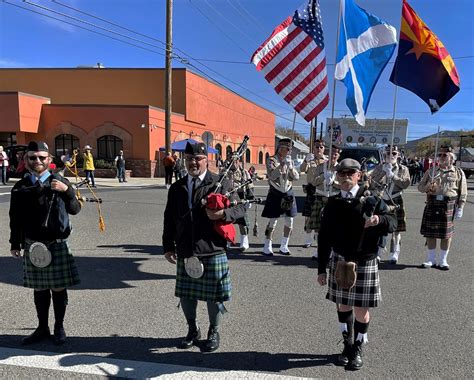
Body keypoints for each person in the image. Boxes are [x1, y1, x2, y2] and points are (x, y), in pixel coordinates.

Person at [162, 142, 245, 352]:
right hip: (186, 248)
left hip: (212, 248)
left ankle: (213, 331)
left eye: (198, 158)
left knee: (215, 296)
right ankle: (192, 329)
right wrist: (167, 246)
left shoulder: (219, 182)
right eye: (189, 158)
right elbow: (169, 218)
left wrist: (223, 215)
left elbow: (241, 208)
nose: (193, 162)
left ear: (206, 159)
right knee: (186, 295)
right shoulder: (177, 187)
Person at [317, 158, 397, 370]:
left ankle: (359, 348)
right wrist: (321, 269)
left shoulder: (371, 200)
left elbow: (394, 222)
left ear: (359, 175)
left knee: (361, 310)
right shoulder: (332, 203)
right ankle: (347, 345)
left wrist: (378, 220)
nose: (345, 178)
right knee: (343, 306)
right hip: (340, 260)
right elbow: (323, 237)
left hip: (365, 261)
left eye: (350, 173)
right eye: (341, 174)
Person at [9, 141, 82, 345]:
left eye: (42, 157)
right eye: (33, 157)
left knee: (58, 288)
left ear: (49, 159)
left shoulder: (59, 180)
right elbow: (15, 217)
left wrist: (67, 190)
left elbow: (75, 209)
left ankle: (59, 326)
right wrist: (15, 243)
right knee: (39, 288)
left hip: (56, 243)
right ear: (26, 160)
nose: (37, 161)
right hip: (33, 244)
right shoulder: (21, 186)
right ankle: (42, 327)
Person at [418, 146, 467, 270]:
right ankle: (430, 259)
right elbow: (420, 187)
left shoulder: (458, 172)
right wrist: (429, 184)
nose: (441, 157)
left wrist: (460, 207)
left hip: (448, 205)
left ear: (452, 158)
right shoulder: (431, 171)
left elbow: (463, 191)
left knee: (446, 235)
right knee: (430, 234)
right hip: (433, 203)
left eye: (444, 155)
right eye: (439, 155)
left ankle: (443, 260)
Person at [369, 145, 410, 264]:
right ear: (385, 155)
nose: (391, 156)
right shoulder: (379, 168)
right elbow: (372, 183)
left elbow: (406, 184)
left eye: (394, 153)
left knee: (396, 229)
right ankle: (379, 252)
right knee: (380, 227)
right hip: (382, 199)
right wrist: (383, 173)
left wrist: (393, 176)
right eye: (388, 153)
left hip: (395, 200)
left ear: (398, 156)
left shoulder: (403, 169)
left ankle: (394, 253)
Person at [300, 142, 341, 260]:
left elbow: (344, 185)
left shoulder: (341, 168)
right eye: (332, 153)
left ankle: (333, 251)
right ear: (328, 153)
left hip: (334, 199)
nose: (334, 155)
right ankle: (320, 250)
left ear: (338, 155)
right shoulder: (320, 166)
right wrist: (324, 177)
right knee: (319, 228)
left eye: (336, 154)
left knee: (333, 227)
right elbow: (313, 181)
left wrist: (334, 182)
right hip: (320, 197)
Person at [261, 138, 299, 256]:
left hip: (288, 192)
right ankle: (267, 245)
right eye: (286, 149)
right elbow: (271, 175)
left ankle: (284, 245)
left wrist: (291, 167)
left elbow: (296, 177)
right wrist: (281, 165)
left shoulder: (290, 161)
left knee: (290, 220)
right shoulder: (271, 160)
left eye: (289, 149)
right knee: (273, 220)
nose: (288, 151)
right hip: (275, 192)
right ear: (280, 148)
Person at [222, 159, 254, 251]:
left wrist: (250, 200)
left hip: (241, 199)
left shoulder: (244, 173)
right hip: (228, 199)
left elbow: (250, 187)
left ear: (238, 161)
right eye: (232, 161)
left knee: (243, 222)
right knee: (227, 220)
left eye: (236, 161)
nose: (234, 163)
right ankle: (227, 242)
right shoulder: (225, 172)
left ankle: (244, 242)